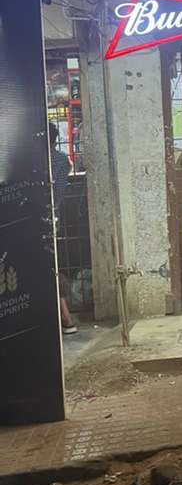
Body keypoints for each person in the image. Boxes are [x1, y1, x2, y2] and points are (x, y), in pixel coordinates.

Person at [48, 121, 77, 335]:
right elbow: (57, 197)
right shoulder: (60, 160)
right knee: (51, 267)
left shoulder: (26, 160)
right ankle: (66, 318)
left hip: (28, 220)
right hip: (50, 219)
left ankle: (64, 317)